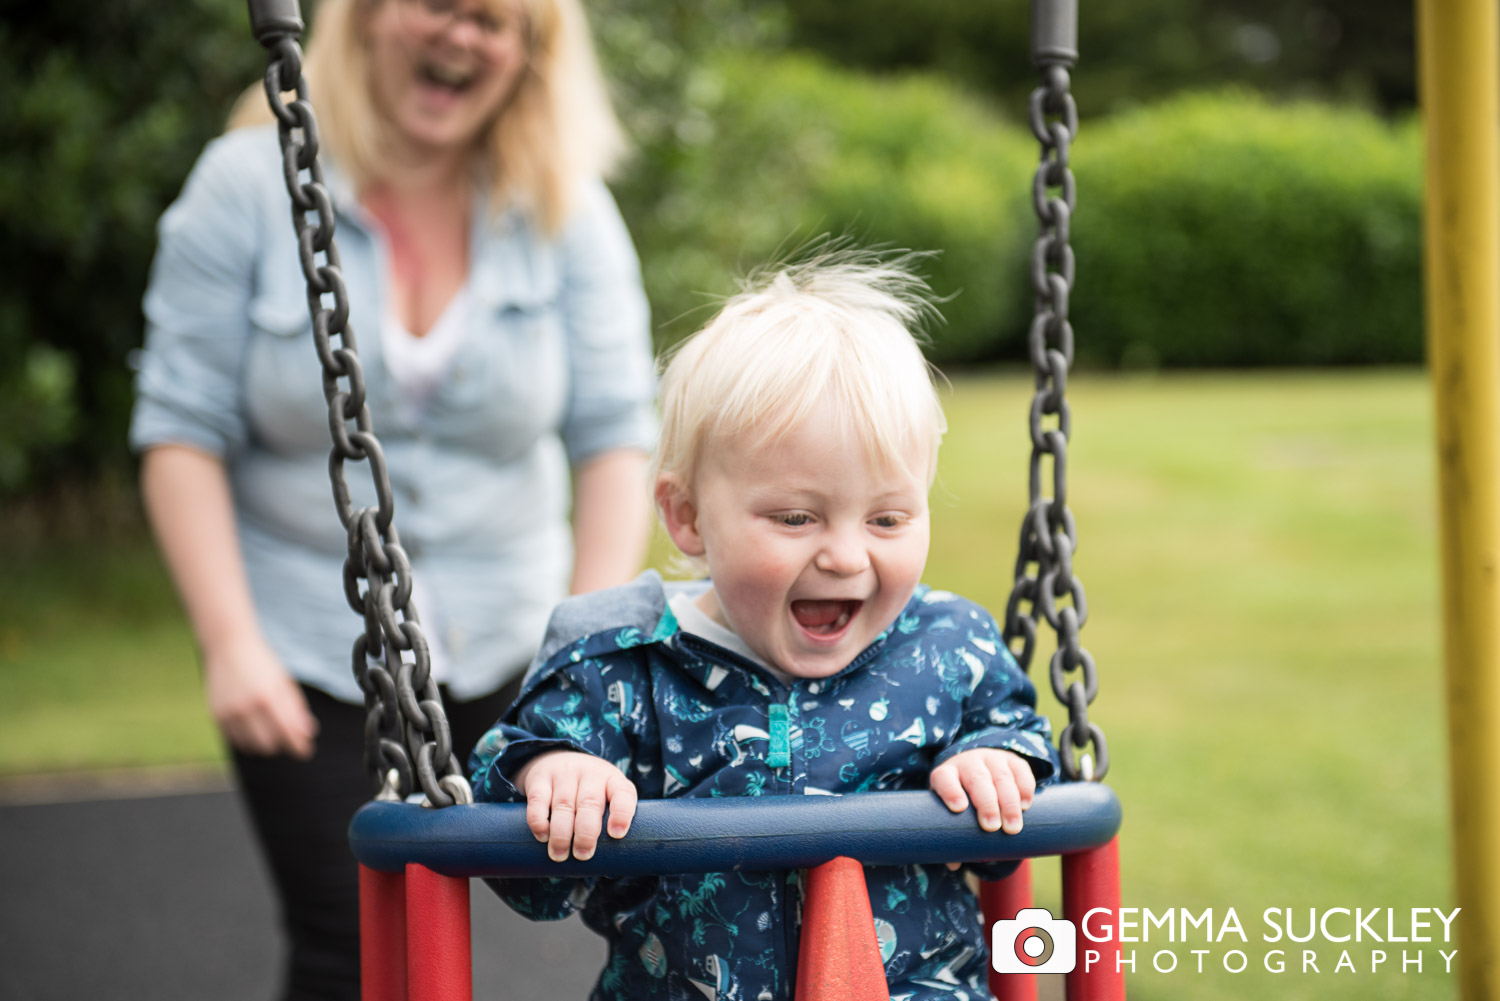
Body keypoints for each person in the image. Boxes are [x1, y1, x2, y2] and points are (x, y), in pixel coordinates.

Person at [130, 0, 655, 996]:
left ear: (529, 57)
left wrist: (582, 651)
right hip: (314, 641)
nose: (463, 37)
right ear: (366, 18)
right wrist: (231, 641)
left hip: (517, 636)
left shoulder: (562, 206)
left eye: (496, 23)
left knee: (621, 900)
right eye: (440, 7)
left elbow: (617, 435)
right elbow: (180, 428)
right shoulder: (247, 186)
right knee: (351, 940)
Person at [469, 251, 1060, 1000]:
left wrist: (998, 758)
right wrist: (548, 775)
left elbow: (1026, 744)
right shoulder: (620, 666)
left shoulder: (949, 649)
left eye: (888, 517)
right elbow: (530, 886)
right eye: (794, 516)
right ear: (686, 516)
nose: (845, 555)